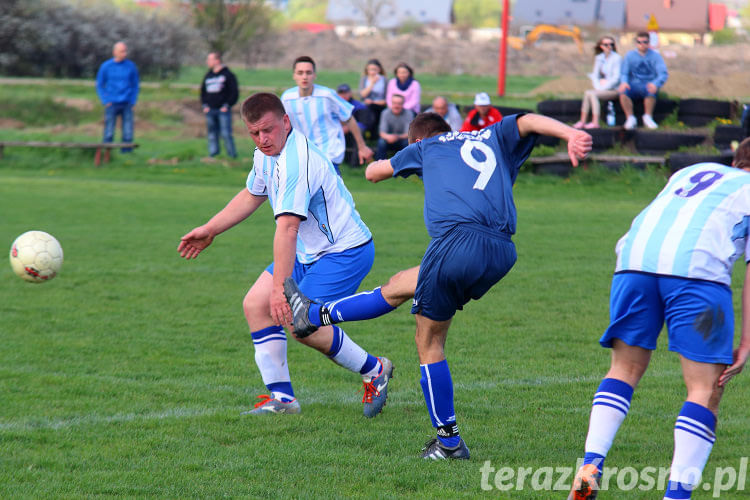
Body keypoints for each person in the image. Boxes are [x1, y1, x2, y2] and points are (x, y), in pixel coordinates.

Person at [284, 112, 592, 459]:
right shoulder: (491, 136)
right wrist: (571, 134)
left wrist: (392, 161)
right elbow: (529, 120)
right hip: (502, 250)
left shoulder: (425, 147)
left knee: (428, 341)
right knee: (401, 284)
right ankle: (314, 315)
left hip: (456, 242)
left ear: (418, 139)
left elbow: (373, 173)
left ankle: (449, 444)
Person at [177, 92, 393, 418]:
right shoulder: (265, 154)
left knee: (300, 323)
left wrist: (280, 290)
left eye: (268, 130)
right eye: (254, 133)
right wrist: (211, 229)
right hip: (308, 253)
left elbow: (288, 228)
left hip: (344, 252)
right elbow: (253, 193)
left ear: (286, 122)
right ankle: (283, 400)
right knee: (255, 305)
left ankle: (375, 370)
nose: (262, 139)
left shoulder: (297, 162)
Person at [568, 138, 750, 500]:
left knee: (623, 369)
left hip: (633, 264)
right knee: (705, 387)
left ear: (735, 158)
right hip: (697, 274)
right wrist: (746, 341)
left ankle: (591, 464)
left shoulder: (691, 170)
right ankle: (676, 496)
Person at [281, 56, 373, 175]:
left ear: (314, 75)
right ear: (294, 75)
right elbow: (283, 127)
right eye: (300, 73)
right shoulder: (287, 98)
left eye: (308, 73)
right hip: (301, 158)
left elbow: (349, 118)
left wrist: (362, 147)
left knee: (332, 194)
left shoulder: (327, 95)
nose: (304, 76)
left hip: (328, 157)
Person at [618, 31, 669, 130]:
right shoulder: (630, 55)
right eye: (639, 42)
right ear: (636, 43)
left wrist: (655, 84)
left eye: (645, 42)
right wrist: (624, 82)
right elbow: (624, 72)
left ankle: (648, 117)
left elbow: (663, 74)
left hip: (648, 84)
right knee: (623, 92)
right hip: (633, 84)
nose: (642, 45)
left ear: (649, 43)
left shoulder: (656, 56)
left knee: (650, 90)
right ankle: (630, 118)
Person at [96, 41, 139, 154]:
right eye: (122, 51)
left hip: (126, 103)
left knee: (128, 130)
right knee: (109, 130)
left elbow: (135, 85)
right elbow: (100, 85)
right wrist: (105, 100)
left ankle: (127, 153)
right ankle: (107, 153)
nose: (124, 54)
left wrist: (132, 100)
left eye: (125, 51)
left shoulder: (131, 66)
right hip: (111, 103)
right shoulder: (106, 66)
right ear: (115, 52)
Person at [574, 35, 622, 130]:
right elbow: (595, 75)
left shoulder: (617, 58)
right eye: (606, 44)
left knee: (592, 94)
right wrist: (598, 87)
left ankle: (595, 122)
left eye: (611, 44)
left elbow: (616, 79)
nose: (609, 46)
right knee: (588, 93)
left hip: (614, 89)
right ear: (601, 46)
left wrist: (603, 87)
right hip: (601, 88)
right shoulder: (599, 58)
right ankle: (582, 121)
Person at [200, 52, 239, 158]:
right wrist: (205, 105)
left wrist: (227, 105)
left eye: (210, 59)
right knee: (212, 134)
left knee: (226, 134)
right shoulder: (208, 75)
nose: (207, 62)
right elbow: (203, 92)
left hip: (223, 111)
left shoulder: (228, 75)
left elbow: (234, 93)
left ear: (217, 61)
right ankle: (213, 154)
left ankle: (232, 155)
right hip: (210, 110)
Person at [337, 83, 373, 165]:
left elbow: (365, 123)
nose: (343, 95)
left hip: (356, 132)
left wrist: (349, 128)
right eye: (341, 93)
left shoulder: (358, 106)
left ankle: (355, 163)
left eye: (345, 93)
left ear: (350, 93)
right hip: (339, 130)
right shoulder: (334, 106)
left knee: (358, 132)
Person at [375, 94, 414, 160]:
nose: (396, 106)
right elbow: (382, 133)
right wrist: (390, 137)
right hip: (388, 140)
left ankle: (405, 164)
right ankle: (379, 164)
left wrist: (397, 137)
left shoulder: (409, 114)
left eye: (399, 103)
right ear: (391, 103)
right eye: (394, 103)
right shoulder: (385, 113)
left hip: (402, 140)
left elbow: (409, 134)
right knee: (381, 142)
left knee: (407, 142)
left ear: (403, 104)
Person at [358, 59, 388, 138]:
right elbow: (362, 95)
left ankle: (374, 135)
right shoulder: (364, 79)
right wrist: (372, 83)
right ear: (367, 70)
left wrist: (373, 102)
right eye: (370, 69)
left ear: (379, 69)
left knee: (374, 110)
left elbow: (386, 99)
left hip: (379, 105)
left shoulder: (384, 80)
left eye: (375, 69)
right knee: (367, 111)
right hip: (366, 106)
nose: (372, 72)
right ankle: (367, 133)